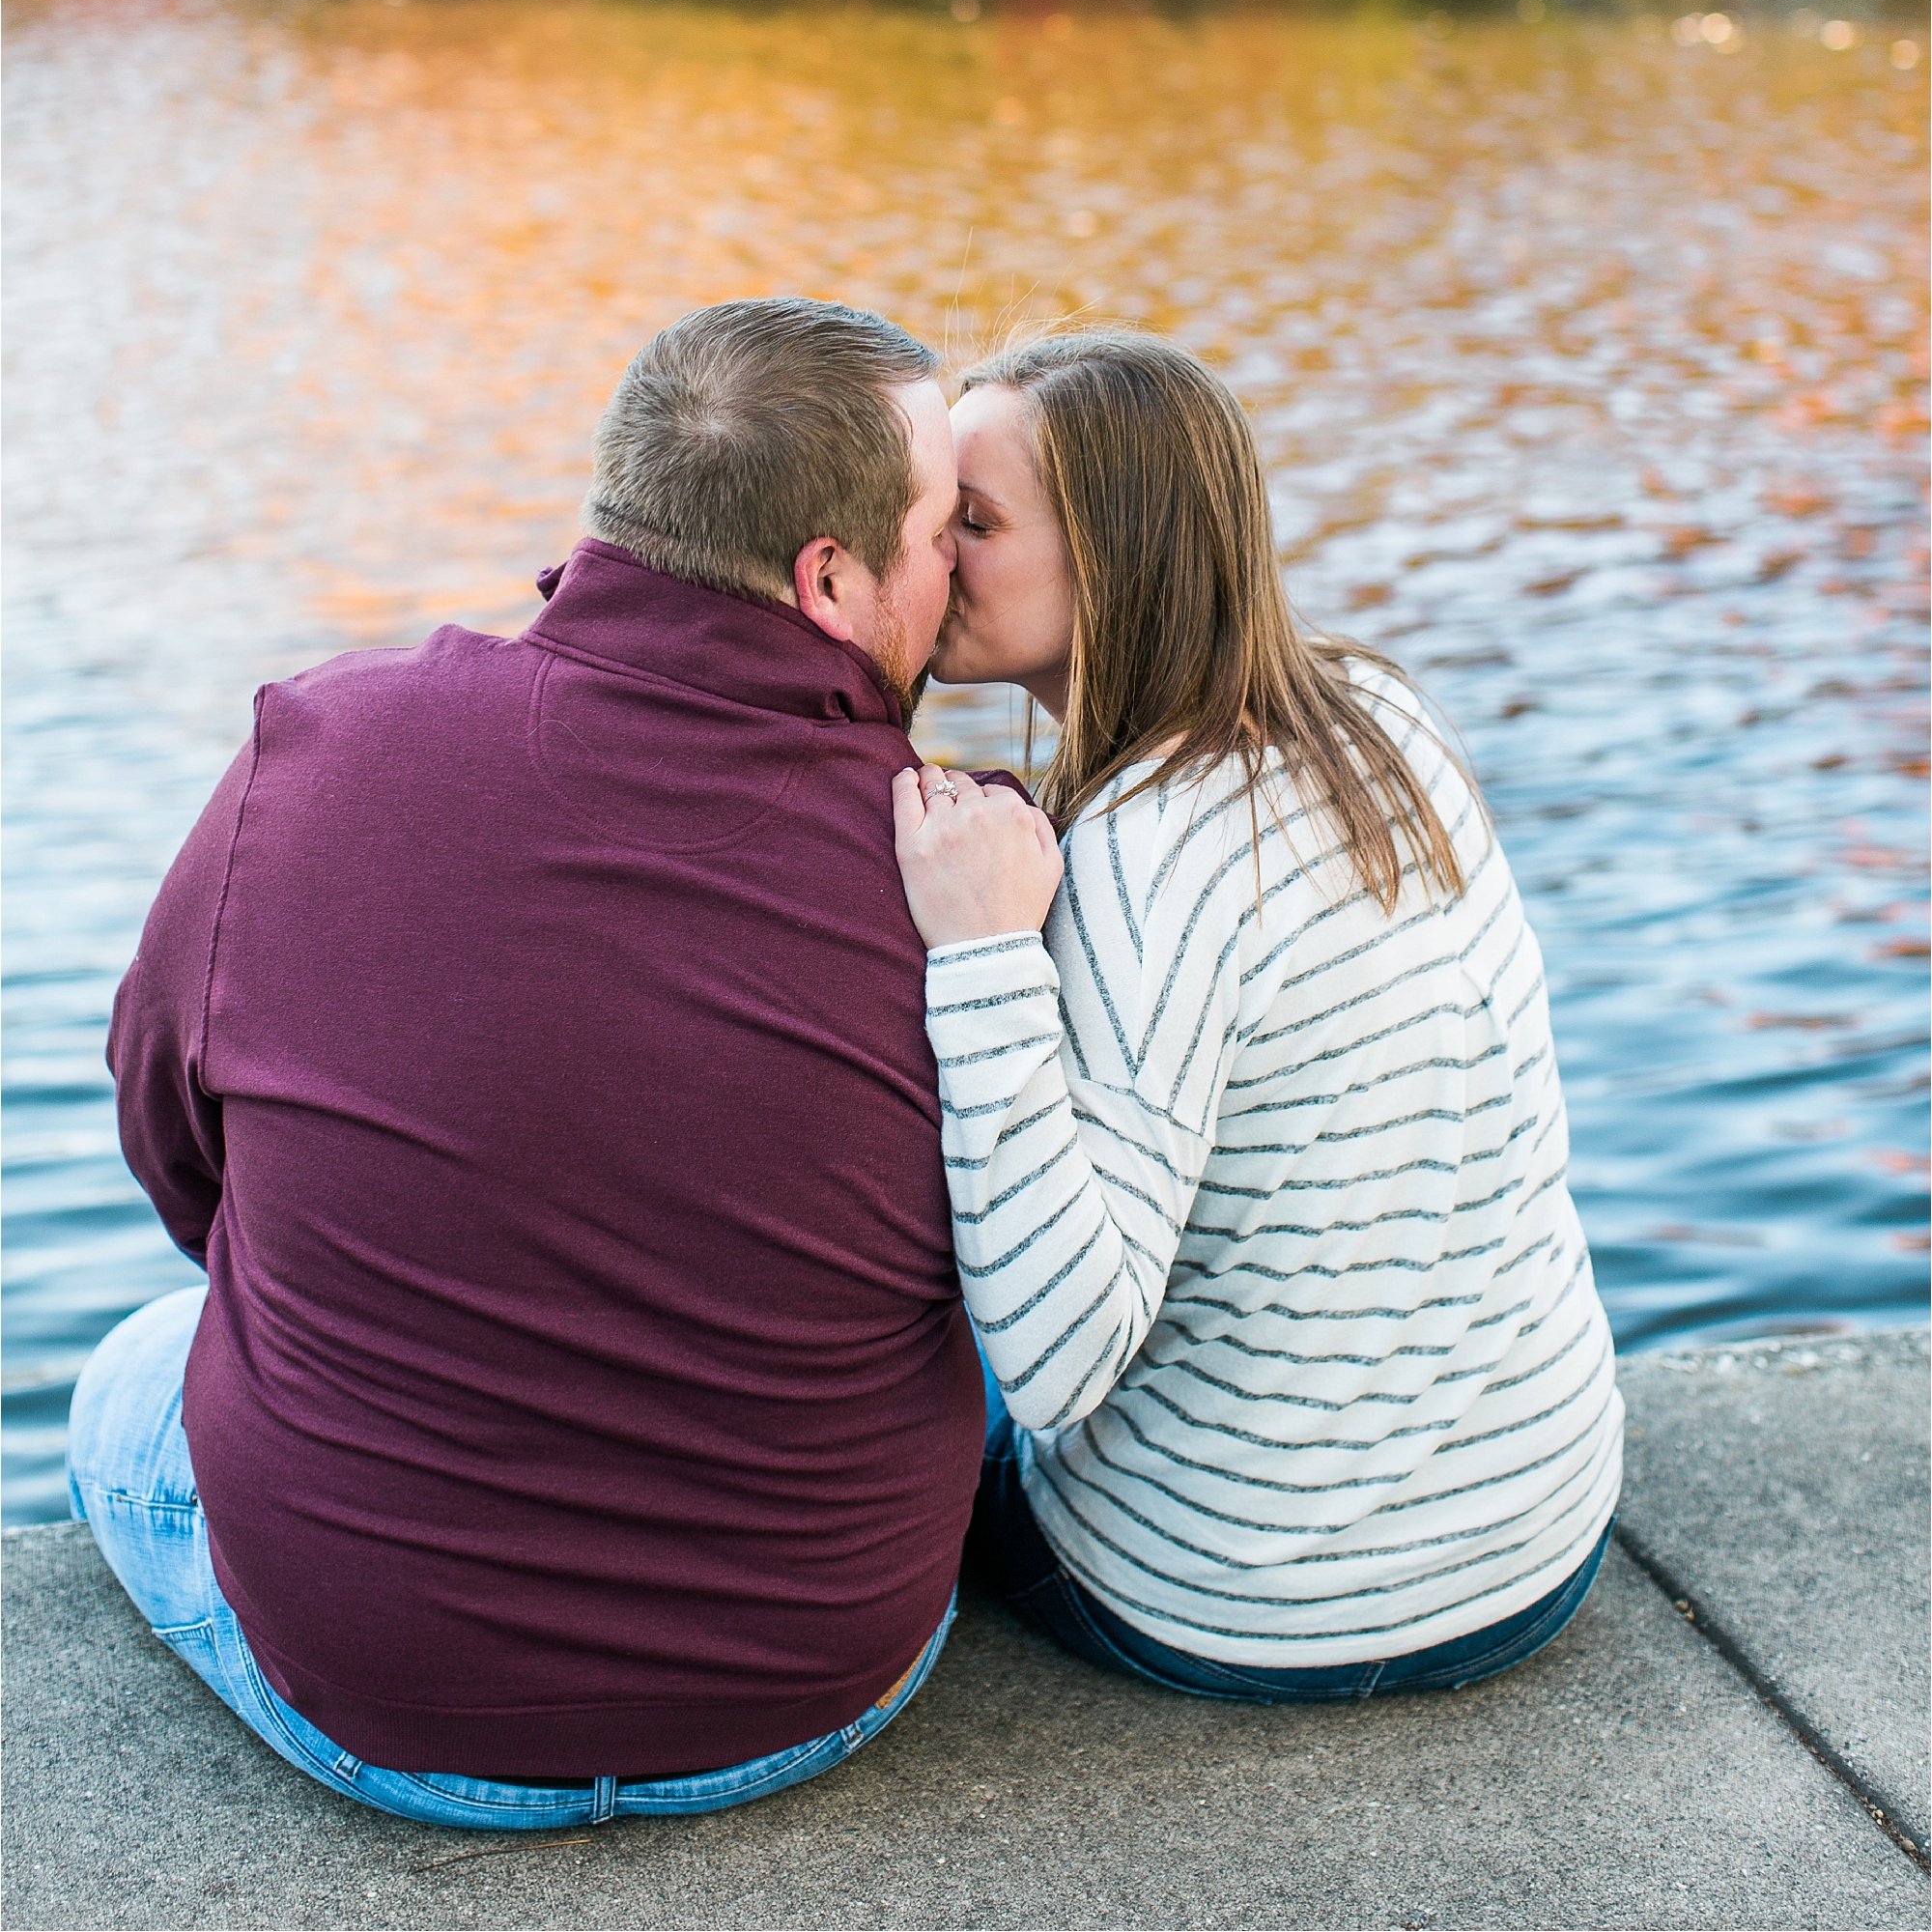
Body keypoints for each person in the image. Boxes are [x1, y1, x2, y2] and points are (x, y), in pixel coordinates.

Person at [74, 298, 984, 1832]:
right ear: (831, 579)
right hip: (816, 1683)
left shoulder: (322, 748)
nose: (960, 573)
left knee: (132, 1362)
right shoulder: (963, 861)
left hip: (388, 1702)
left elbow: (171, 1141)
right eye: (948, 528)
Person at [892, 330, 1622, 1703]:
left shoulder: (1138, 854)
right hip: (1540, 1538)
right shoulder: (1377, 715)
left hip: (1244, 1600)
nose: (929, 556)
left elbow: (1053, 1363)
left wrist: (983, 957)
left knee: (899, 1386)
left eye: (972, 523)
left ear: (1113, 557)